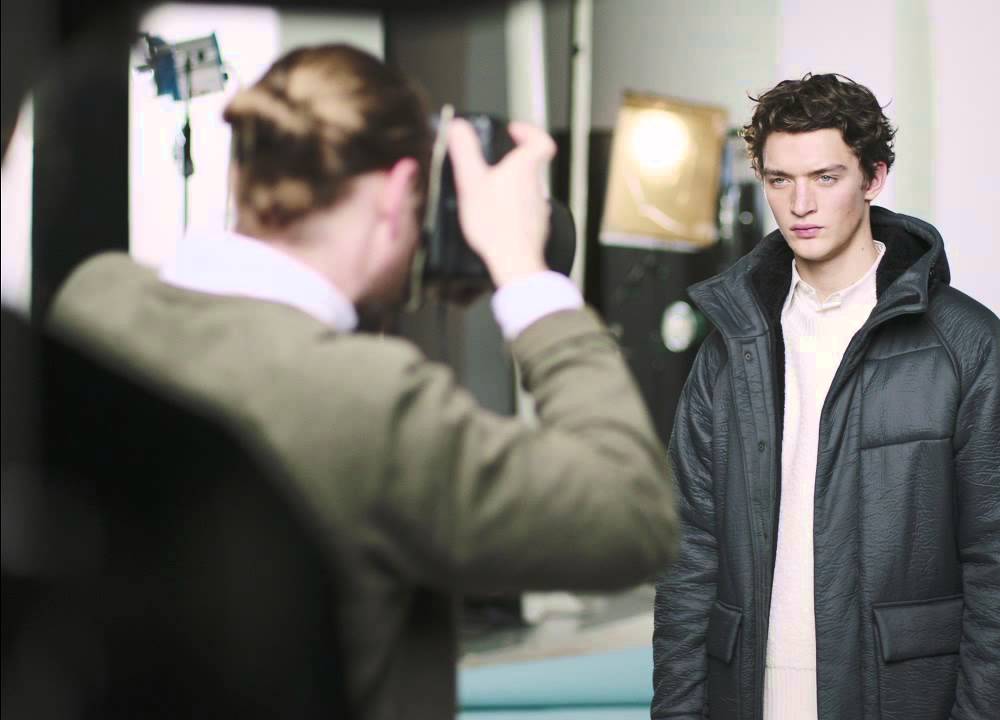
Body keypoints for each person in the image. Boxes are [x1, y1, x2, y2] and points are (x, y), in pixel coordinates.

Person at [48, 44, 679, 719]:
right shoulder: (370, 401)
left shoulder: (93, 301)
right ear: (398, 192)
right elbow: (632, 514)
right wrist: (526, 273)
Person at [651, 73, 1000, 720]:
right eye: (780, 180)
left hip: (897, 692)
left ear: (874, 178)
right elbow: (688, 551)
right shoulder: (731, 345)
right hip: (745, 689)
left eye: (826, 177)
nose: (800, 203)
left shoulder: (966, 344)